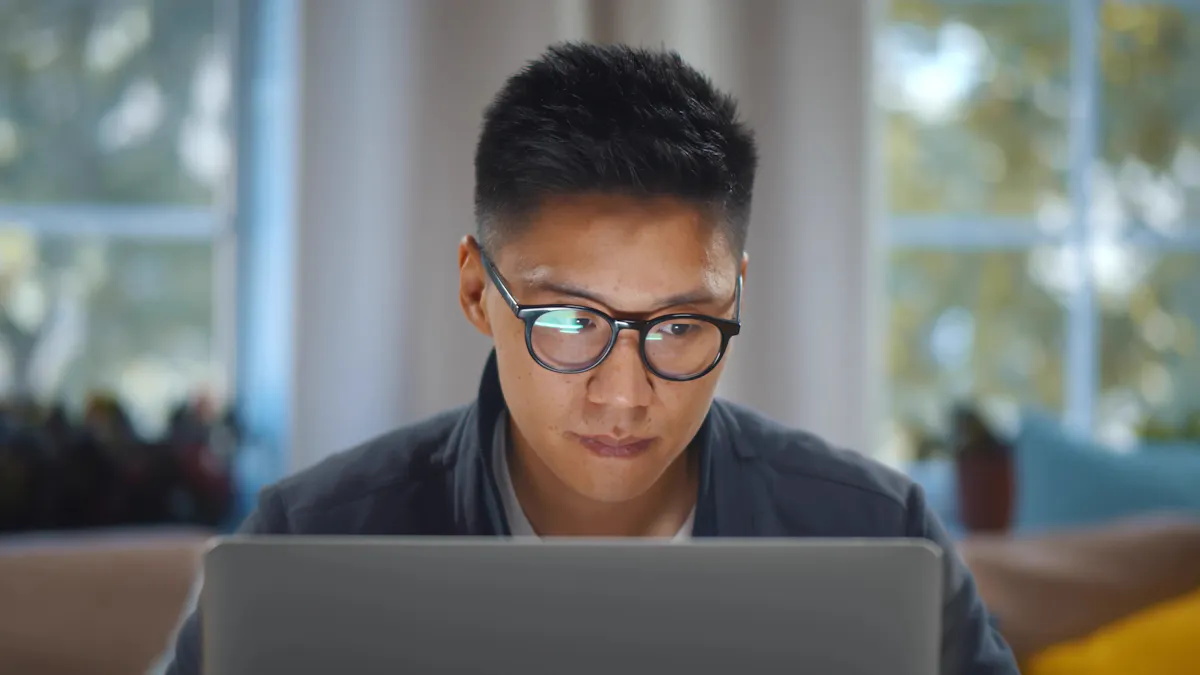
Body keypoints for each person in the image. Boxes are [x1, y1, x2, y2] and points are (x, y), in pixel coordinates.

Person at [164, 42, 1018, 675]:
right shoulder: (308, 542)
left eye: (679, 326)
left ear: (736, 298)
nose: (623, 395)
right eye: (570, 320)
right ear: (476, 290)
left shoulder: (877, 534)